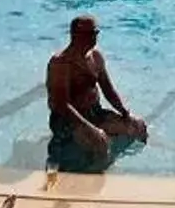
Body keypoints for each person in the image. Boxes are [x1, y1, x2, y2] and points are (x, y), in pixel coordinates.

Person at [44, 15, 148, 171]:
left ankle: (122, 165)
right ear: (75, 35)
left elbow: (108, 89)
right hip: (68, 120)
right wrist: (91, 129)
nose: (94, 37)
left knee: (138, 128)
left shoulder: (95, 57)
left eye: (95, 33)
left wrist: (126, 114)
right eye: (90, 34)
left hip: (95, 112)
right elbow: (62, 105)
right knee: (99, 142)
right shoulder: (61, 63)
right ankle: (95, 175)